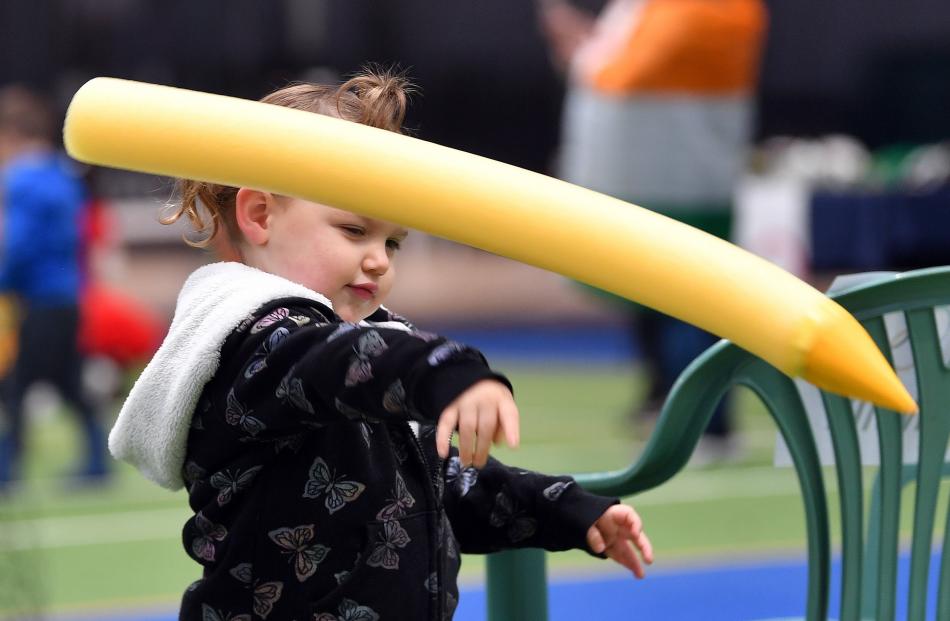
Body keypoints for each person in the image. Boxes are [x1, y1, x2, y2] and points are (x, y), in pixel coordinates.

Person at [108, 69, 654, 620]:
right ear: (259, 214)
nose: (379, 259)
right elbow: (340, 363)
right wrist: (447, 372)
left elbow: (446, 487)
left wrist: (567, 510)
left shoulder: (364, 358)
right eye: (353, 231)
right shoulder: (258, 348)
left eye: (392, 241)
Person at [539, 0, 768, 460]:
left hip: (684, 180)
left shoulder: (710, 9)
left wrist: (584, 52)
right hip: (650, 180)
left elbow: (626, 72)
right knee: (657, 303)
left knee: (692, 303)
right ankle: (668, 404)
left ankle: (704, 424)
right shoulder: (649, 9)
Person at [0, 84, 110, 489]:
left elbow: (20, 245)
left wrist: (4, 281)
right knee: (67, 379)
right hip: (68, 294)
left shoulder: (22, 180)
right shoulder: (64, 175)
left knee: (16, 384)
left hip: (40, 298)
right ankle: (98, 459)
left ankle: (7, 467)